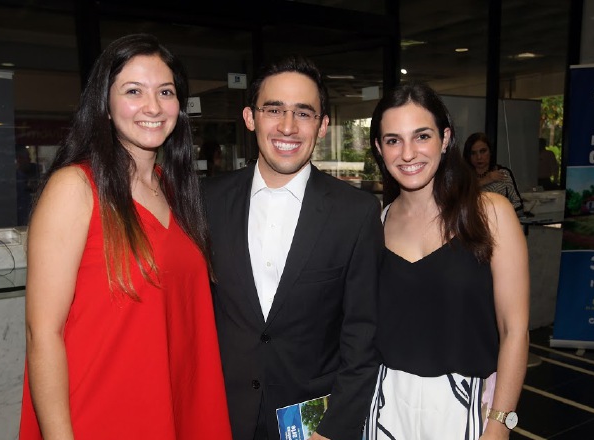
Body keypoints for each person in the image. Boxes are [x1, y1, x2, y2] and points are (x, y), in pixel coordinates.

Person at [18, 34, 231, 439]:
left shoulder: (178, 192)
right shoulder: (75, 188)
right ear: (105, 103)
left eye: (165, 92)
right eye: (133, 91)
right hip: (99, 413)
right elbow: (42, 332)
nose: (152, 107)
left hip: (175, 405)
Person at [203, 55, 383, 440]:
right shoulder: (207, 201)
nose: (288, 126)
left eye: (304, 113)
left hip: (312, 423)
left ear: (322, 126)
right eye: (274, 110)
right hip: (221, 415)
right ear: (250, 117)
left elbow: (362, 337)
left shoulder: (356, 212)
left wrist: (332, 430)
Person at [366, 81, 529, 439]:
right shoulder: (374, 223)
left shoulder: (491, 214)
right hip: (385, 405)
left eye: (421, 136)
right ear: (380, 148)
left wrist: (499, 425)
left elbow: (515, 330)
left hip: (467, 408)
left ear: (445, 138)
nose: (408, 153)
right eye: (393, 140)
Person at [462, 132, 525, 217]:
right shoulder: (463, 176)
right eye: (473, 153)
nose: (479, 157)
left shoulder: (503, 173)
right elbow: (458, 199)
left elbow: (518, 206)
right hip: (472, 224)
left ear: (490, 152)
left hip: (502, 222)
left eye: (483, 151)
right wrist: (485, 180)